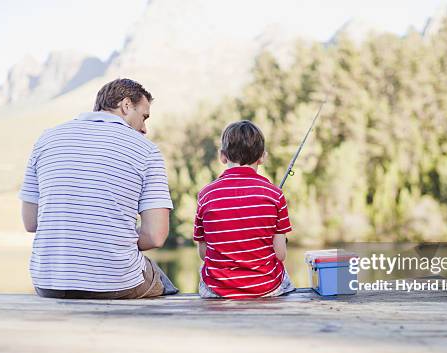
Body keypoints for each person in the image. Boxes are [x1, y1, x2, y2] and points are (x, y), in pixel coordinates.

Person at [19, 78, 178, 299]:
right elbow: (155, 236)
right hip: (117, 284)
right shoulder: (147, 151)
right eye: (144, 116)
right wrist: (114, 240)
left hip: (49, 282)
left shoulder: (46, 140)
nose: (144, 128)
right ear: (125, 106)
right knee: (162, 281)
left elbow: (31, 222)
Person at [193, 120, 295, 299]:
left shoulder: (205, 195)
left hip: (217, 290)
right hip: (265, 288)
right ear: (262, 157)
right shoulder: (275, 195)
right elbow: (280, 255)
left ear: (222, 156)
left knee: (204, 270)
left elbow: (204, 254)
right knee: (285, 279)